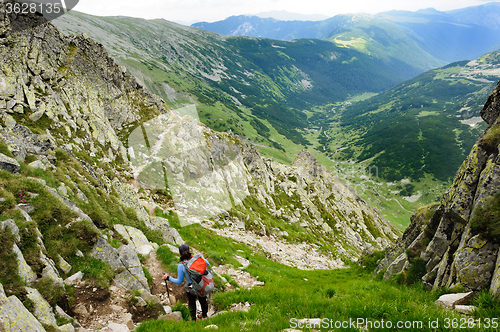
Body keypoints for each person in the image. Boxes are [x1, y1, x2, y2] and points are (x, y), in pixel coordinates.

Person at [162, 244, 209, 321]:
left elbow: (179, 281)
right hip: (201, 284)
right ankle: (204, 315)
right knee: (203, 300)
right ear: (190, 251)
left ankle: (194, 320)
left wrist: (168, 278)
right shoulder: (196, 259)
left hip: (191, 287)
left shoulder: (181, 266)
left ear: (179, 254)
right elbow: (207, 263)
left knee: (191, 302)